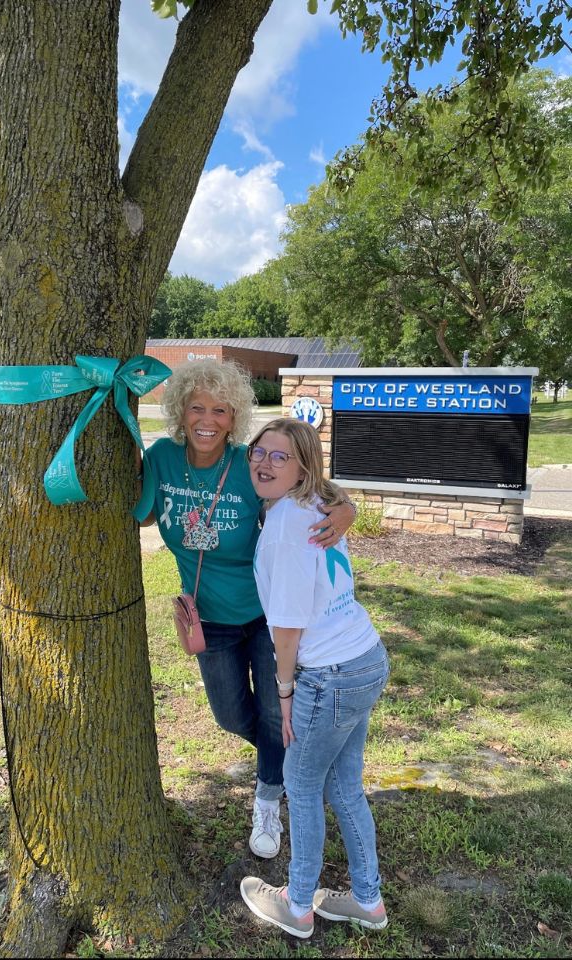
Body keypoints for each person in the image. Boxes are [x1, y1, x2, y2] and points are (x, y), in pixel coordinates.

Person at [142, 360, 356, 859]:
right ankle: (296, 765)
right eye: (197, 407)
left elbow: (310, 486)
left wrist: (347, 508)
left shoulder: (248, 462)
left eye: (220, 410)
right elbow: (144, 512)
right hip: (210, 619)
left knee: (273, 712)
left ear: (234, 417)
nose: (207, 420)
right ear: (180, 411)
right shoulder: (163, 458)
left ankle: (267, 800)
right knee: (233, 716)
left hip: (266, 615)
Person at [239, 418, 389, 940]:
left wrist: (284, 692)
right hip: (365, 659)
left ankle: (298, 905)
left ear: (302, 468)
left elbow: (286, 629)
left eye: (280, 456)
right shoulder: (314, 503)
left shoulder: (287, 524)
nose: (264, 463)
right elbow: (335, 494)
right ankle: (367, 900)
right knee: (344, 785)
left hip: (329, 674)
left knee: (302, 786)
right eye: (259, 451)